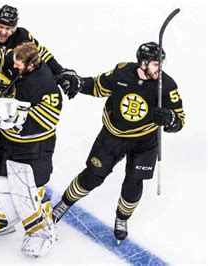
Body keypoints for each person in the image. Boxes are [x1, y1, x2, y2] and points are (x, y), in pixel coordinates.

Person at [51, 42, 186, 244]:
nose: (160, 68)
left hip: (145, 142)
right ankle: (64, 203)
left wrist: (170, 119)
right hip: (112, 137)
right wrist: (79, 83)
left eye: (161, 63)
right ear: (143, 63)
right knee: (92, 177)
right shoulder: (122, 72)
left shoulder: (167, 86)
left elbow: (180, 120)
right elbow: (97, 85)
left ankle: (122, 219)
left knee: (133, 183)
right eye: (155, 64)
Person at [0, 42, 62, 257]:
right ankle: (5, 217)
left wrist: (14, 122)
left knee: (30, 189)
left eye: (19, 64)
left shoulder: (45, 85)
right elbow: (5, 76)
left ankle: (43, 230)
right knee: (2, 182)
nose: (15, 66)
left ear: (31, 65)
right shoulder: (20, 67)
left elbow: (48, 119)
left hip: (34, 148)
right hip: (10, 143)